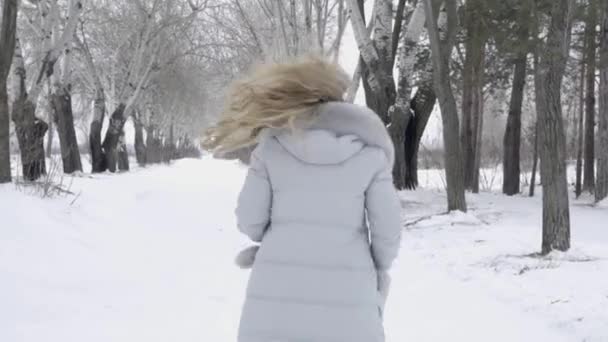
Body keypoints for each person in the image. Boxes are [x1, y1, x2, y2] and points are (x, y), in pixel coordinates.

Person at [203, 56, 402, 342]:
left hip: (275, 294)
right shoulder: (370, 156)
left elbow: (249, 221)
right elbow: (388, 230)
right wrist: (375, 268)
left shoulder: (270, 150)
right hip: (348, 293)